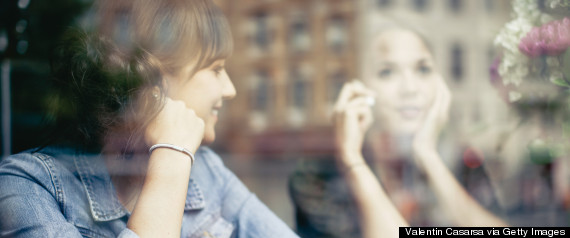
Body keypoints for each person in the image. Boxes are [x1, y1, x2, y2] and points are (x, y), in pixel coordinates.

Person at [0, 0, 298, 237]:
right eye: (216, 69)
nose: (230, 89)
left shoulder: (208, 173)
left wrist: (348, 165)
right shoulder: (29, 187)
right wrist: (172, 156)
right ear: (154, 80)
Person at [289, 21, 506, 238]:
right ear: (358, 87)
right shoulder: (318, 176)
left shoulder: (465, 162)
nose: (410, 88)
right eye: (387, 72)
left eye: (423, 69)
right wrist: (351, 160)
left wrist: (427, 155)